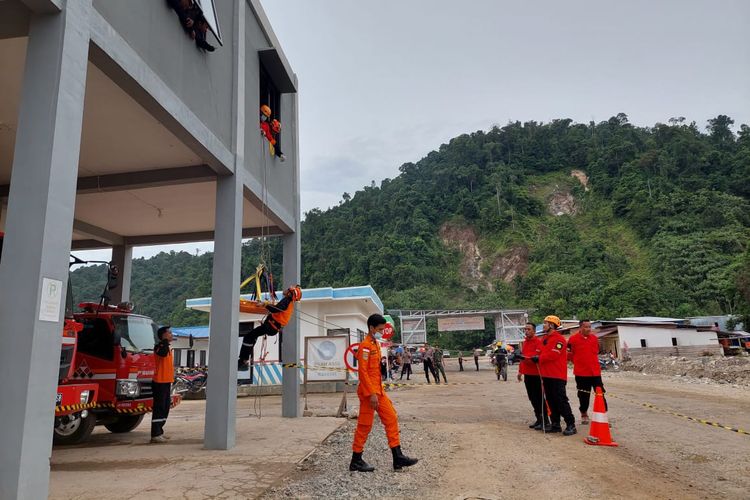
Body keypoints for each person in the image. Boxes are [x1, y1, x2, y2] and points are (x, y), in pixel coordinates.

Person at [350, 314, 418, 472]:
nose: (381, 332)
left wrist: (377, 391)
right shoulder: (365, 346)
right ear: (372, 328)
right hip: (369, 394)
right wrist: (371, 394)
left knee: (391, 417)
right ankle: (356, 460)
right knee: (365, 425)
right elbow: (363, 372)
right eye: (380, 329)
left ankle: (398, 457)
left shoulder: (375, 344)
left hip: (378, 391)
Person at [238, 286, 302, 371]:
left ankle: (243, 360)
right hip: (272, 326)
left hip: (271, 326)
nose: (285, 290)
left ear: (290, 293)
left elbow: (276, 309)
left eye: (288, 290)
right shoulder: (288, 302)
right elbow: (277, 310)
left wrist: (265, 304)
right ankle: (244, 360)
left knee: (249, 336)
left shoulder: (286, 300)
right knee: (252, 336)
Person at [532, 315, 576, 436]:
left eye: (545, 323)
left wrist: (539, 358)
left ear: (551, 325)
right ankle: (555, 424)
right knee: (550, 401)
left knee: (561, 400)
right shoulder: (544, 339)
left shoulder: (559, 340)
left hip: (557, 375)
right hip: (546, 375)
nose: (544, 325)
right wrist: (530, 357)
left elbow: (553, 355)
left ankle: (571, 424)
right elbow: (539, 351)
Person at [568, 319, 607, 424]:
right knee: (583, 395)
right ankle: (584, 413)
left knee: (600, 393)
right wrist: (579, 362)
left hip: (595, 372)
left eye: (590, 327)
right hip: (581, 373)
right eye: (586, 327)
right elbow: (569, 355)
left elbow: (596, 352)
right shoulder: (573, 339)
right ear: (580, 327)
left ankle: (603, 417)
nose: (588, 329)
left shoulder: (594, 338)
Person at [517, 323, 546, 429]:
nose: (526, 331)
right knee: (532, 398)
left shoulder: (538, 342)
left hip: (537, 374)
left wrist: (525, 358)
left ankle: (544, 420)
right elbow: (522, 359)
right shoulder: (525, 343)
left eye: (528, 329)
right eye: (525, 329)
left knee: (539, 398)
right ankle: (538, 418)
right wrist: (520, 371)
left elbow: (537, 358)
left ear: (534, 331)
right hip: (528, 374)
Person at [151, 326, 174, 443]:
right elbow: (163, 354)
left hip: (166, 382)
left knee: (165, 407)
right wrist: (164, 341)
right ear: (164, 335)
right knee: (159, 408)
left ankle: (160, 431)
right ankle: (155, 434)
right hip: (159, 382)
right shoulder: (159, 347)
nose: (171, 334)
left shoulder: (168, 348)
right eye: (169, 333)